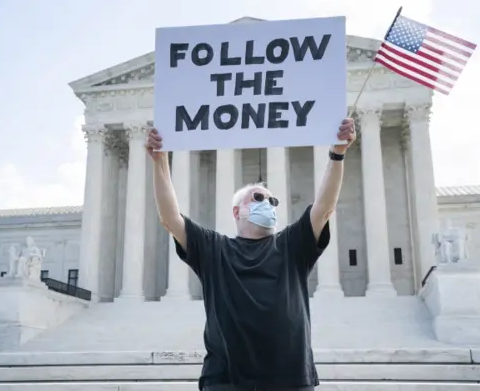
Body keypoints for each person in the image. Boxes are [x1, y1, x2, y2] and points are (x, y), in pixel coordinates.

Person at [145, 118, 356, 391]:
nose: (267, 203)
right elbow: (170, 218)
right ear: (237, 211)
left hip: (290, 381)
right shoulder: (214, 249)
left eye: (272, 201)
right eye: (258, 198)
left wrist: (337, 153)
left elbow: (325, 208)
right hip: (226, 381)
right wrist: (160, 160)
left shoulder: (292, 245)